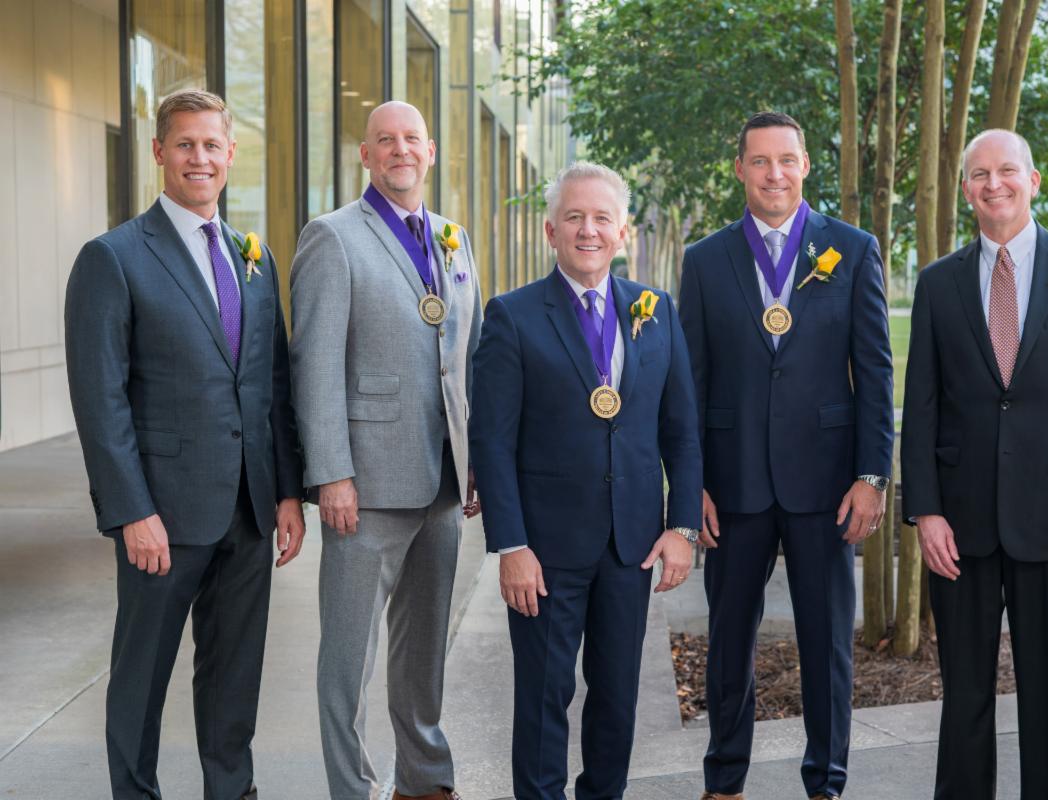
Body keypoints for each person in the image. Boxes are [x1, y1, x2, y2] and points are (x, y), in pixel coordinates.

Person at [64, 88, 305, 800]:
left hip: (251, 509)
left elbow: (273, 386)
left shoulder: (251, 258)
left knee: (234, 675)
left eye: (212, 145)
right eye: (185, 144)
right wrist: (130, 510)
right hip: (162, 516)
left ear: (231, 155)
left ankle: (231, 791)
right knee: (141, 675)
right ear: (160, 153)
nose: (199, 157)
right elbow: (99, 401)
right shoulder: (112, 258)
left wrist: (288, 491)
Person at [901, 128, 1048, 798]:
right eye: (979, 174)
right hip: (961, 528)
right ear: (965, 189)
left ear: (1033, 182)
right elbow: (920, 406)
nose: (993, 184)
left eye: (1007, 171)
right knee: (964, 701)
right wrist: (925, 510)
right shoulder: (939, 283)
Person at [469, 161, 703, 800]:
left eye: (602, 218)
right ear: (550, 231)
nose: (588, 230)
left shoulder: (656, 312)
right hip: (544, 552)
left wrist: (681, 526)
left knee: (618, 701)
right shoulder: (512, 317)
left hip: (631, 545)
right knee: (544, 702)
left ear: (622, 231)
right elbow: (491, 442)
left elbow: (682, 430)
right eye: (574, 217)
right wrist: (510, 546)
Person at [678, 111, 894, 800]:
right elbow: (690, 385)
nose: (775, 174)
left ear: (806, 166)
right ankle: (724, 781)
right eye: (761, 161)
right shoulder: (705, 260)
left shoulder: (853, 250)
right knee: (729, 642)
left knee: (828, 643)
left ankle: (826, 782)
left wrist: (871, 475)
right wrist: (693, 488)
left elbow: (877, 372)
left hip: (827, 485)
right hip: (733, 485)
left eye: (787, 160)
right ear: (739, 169)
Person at [288, 100, 480, 800]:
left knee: (423, 648)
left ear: (430, 153)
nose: (400, 150)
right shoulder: (332, 237)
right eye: (384, 141)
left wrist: (474, 464)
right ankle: (353, 788)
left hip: (443, 485)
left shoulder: (455, 239)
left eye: (411, 139)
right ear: (365, 156)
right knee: (349, 658)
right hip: (364, 487)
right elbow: (313, 367)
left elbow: (468, 358)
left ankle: (424, 780)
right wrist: (331, 474)